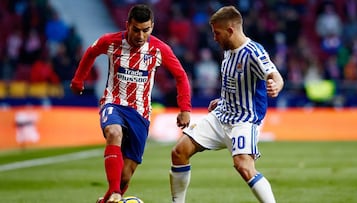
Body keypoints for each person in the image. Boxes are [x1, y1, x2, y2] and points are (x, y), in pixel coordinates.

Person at [70, 4, 191, 203]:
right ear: (128, 25)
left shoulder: (159, 49)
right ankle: (116, 193)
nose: (141, 36)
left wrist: (185, 109)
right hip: (114, 103)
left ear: (152, 27)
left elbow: (181, 76)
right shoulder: (110, 42)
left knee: (125, 175)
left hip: (140, 113)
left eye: (146, 30)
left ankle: (109, 197)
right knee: (114, 132)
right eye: (136, 30)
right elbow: (90, 53)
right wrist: (78, 80)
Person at [169, 6, 283, 203]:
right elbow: (236, 83)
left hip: (243, 121)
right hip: (221, 115)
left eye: (217, 33)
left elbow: (274, 74)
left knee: (244, 166)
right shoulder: (228, 51)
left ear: (230, 30)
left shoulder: (253, 52)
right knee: (179, 152)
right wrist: (222, 100)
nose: (214, 38)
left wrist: (276, 85)